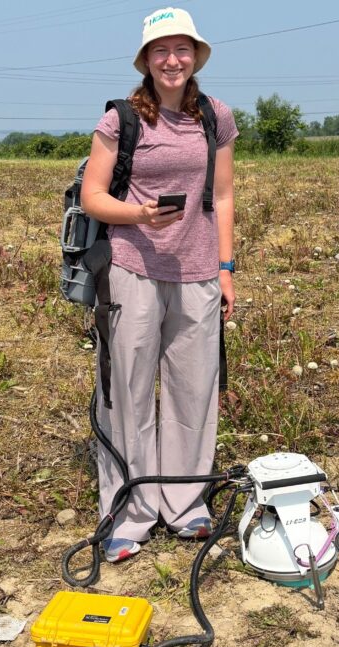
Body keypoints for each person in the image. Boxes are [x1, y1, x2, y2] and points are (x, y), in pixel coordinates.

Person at [80, 7, 238, 563]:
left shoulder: (216, 116)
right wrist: (139, 216)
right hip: (131, 268)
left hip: (196, 272)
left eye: (183, 50)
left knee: (194, 388)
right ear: (146, 60)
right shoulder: (121, 120)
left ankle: (186, 502)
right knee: (127, 390)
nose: (173, 60)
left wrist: (226, 268)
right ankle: (129, 510)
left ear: (196, 57)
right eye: (161, 51)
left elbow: (221, 196)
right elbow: (92, 197)